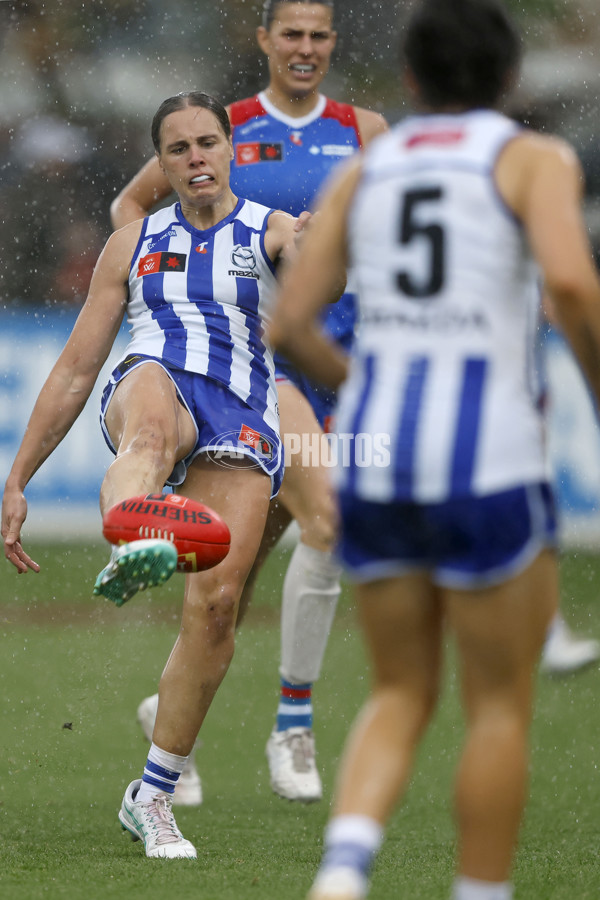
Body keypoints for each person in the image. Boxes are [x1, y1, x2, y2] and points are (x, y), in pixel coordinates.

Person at [269, 0, 600, 897]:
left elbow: (290, 321)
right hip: (488, 457)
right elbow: (571, 281)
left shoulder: (363, 175)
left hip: (379, 461)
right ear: (511, 78)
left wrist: (367, 377)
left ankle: (343, 869)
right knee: (496, 704)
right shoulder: (532, 157)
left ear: (410, 80)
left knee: (397, 690)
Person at [2, 90, 310, 859]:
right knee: (147, 423)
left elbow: (320, 286)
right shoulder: (132, 243)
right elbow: (76, 370)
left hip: (242, 413)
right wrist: (17, 479)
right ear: (162, 163)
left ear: (230, 147)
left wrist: (319, 255)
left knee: (217, 607)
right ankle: (132, 533)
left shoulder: (271, 232)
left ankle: (153, 795)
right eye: (178, 149)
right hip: (157, 375)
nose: (196, 158)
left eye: (208, 142)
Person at [110, 0, 388, 805]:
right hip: (268, 367)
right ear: (264, 40)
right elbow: (132, 211)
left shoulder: (365, 130)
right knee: (329, 523)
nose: (305, 48)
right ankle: (292, 729)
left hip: (347, 356)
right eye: (290, 33)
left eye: (319, 34)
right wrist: (165, 301)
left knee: (232, 576)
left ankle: (170, 717)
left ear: (333, 43)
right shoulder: (215, 127)